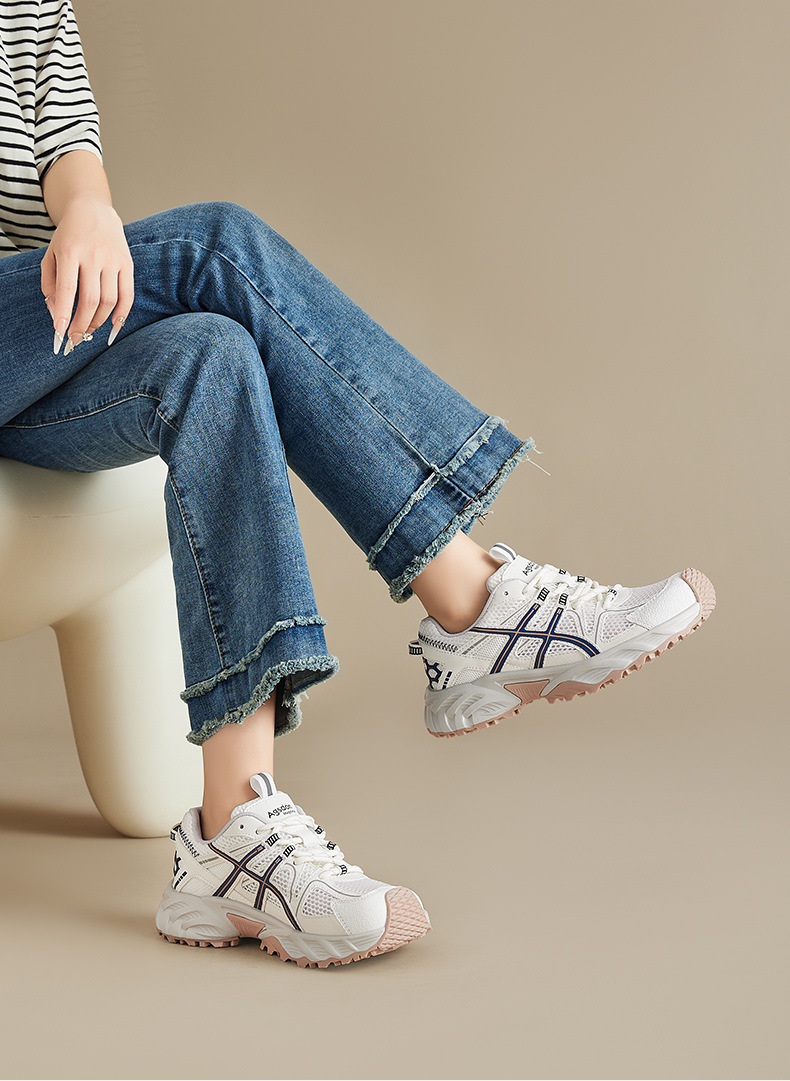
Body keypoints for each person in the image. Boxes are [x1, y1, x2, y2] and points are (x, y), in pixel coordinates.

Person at [0, 1, 715, 968]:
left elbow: (62, 139)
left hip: (31, 347)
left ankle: (232, 831)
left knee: (212, 357)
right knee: (218, 246)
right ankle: (472, 601)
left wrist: (87, 207)